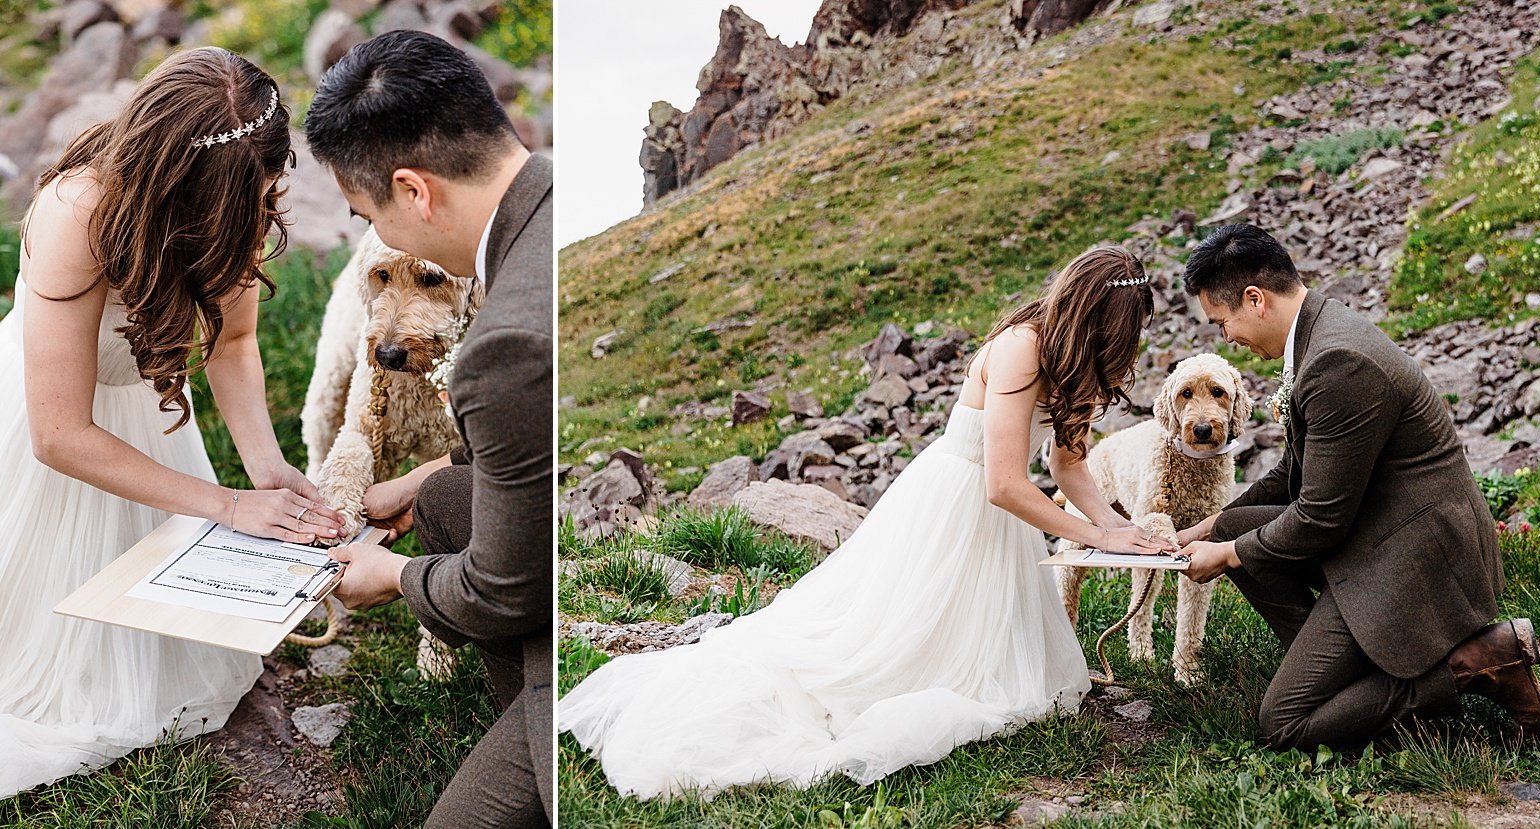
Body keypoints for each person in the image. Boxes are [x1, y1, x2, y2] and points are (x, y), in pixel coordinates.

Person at [559, 245, 1179, 799]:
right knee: (888, 649)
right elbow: (1004, 483)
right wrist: (1094, 537)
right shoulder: (1022, 347)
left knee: (1016, 674)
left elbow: (1067, 464)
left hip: (1004, 522)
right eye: (1128, 333)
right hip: (956, 503)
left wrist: (1117, 527)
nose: (1130, 347)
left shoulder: (1079, 362)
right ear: (1096, 321)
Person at [0, 48, 344, 798]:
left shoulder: (241, 187)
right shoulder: (76, 213)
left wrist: (265, 468)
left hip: (147, 419)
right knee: (46, 668)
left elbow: (236, 340)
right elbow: (59, 433)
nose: (267, 203)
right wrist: (226, 505)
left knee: (167, 651)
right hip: (47, 420)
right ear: (183, 192)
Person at [302, 30, 554, 828]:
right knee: (444, 495)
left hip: (559, 608)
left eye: (368, 213)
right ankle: (527, 710)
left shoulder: (504, 345)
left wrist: (395, 580)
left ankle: (550, 721)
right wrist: (419, 480)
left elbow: (499, 591)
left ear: (413, 192)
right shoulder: (552, 200)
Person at [1171, 224, 1540, 748]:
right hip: (1383, 528)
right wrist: (1208, 527)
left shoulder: (1336, 362)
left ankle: (1475, 662)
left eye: (1223, 322)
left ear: (1255, 300)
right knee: (1234, 523)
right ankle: (1347, 675)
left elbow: (1320, 518)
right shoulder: (1318, 333)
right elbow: (1294, 475)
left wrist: (1229, 553)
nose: (1226, 337)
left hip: (1417, 556)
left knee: (1284, 725)